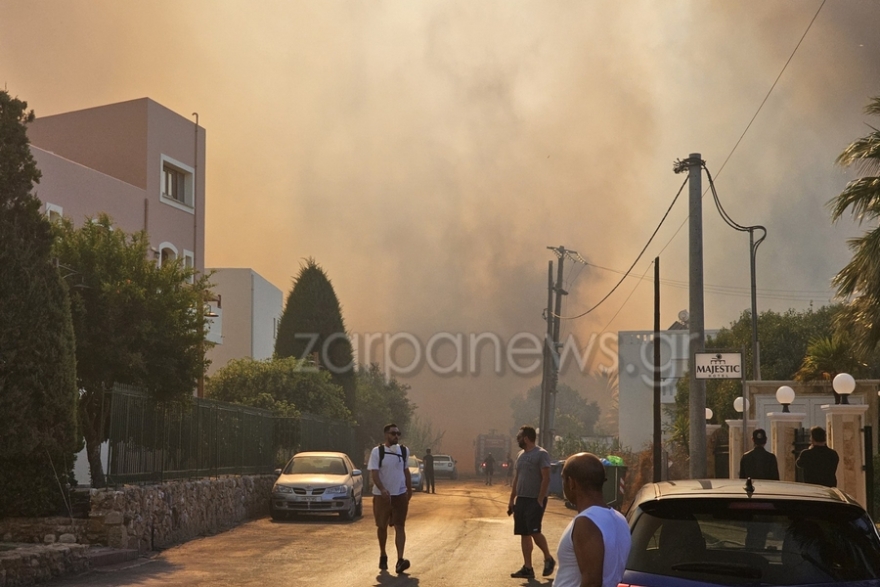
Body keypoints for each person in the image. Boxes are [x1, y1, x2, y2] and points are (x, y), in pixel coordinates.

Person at [555, 453, 631, 587]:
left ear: (571, 483)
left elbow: (592, 583)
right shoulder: (620, 519)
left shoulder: (586, 523)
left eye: (563, 479)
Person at [508, 425, 556, 579]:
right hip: (521, 499)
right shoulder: (520, 455)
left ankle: (548, 558)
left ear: (527, 438)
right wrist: (511, 499)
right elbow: (517, 478)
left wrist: (540, 499)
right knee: (524, 533)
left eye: (520, 436)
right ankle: (527, 567)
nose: (518, 439)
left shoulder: (541, 454)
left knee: (534, 531)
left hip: (534, 500)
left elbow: (546, 477)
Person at [367, 424, 412, 574]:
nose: (396, 436)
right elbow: (375, 473)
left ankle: (400, 559)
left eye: (398, 433)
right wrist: (382, 489)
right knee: (382, 526)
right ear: (386, 434)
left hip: (399, 494)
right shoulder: (378, 452)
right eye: (393, 433)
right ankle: (383, 554)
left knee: (400, 526)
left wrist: (409, 490)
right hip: (382, 496)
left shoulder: (404, 451)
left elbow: (406, 471)